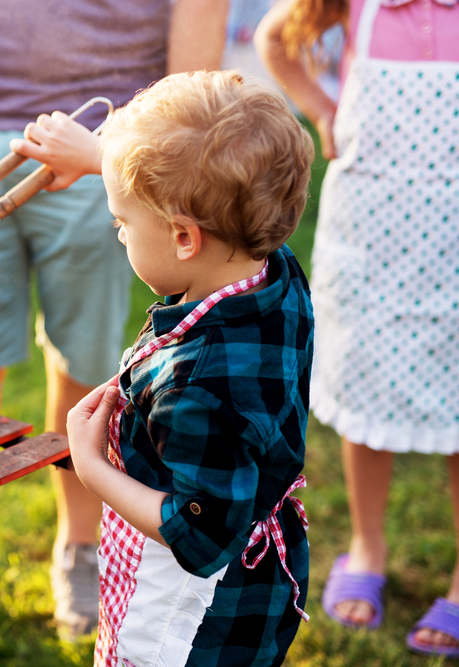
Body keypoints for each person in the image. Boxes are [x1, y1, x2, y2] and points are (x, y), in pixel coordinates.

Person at [0, 0, 229, 644]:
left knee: (88, 369)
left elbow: (194, 72)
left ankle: (81, 550)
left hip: (106, 145)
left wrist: (124, 154)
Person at [66, 70, 315, 666]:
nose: (121, 234)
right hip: (259, 581)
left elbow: (201, 539)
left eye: (122, 223)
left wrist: (90, 466)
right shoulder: (268, 268)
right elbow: (220, 185)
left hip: (190, 616)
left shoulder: (199, 384)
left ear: (183, 237)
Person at [256, 0, 459, 656]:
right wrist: (320, 106)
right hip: (376, 237)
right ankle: (366, 546)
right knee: (368, 390)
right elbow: (274, 39)